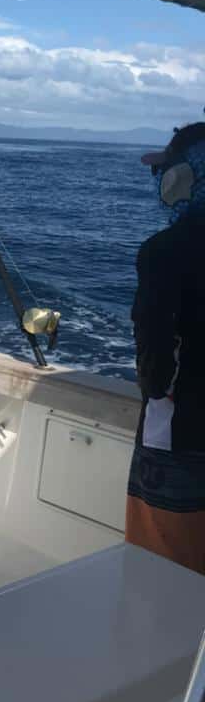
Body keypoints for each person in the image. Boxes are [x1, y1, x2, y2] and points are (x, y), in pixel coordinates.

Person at [126, 121, 205, 574]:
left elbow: (157, 372)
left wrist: (156, 382)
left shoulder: (163, 252)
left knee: (159, 576)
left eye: (168, 168)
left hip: (179, 441)